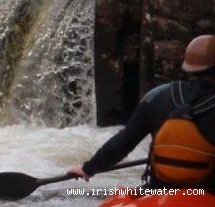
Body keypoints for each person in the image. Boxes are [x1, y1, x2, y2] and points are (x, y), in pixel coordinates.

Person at [68, 35, 215, 192]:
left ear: (187, 66)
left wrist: (88, 168)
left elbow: (121, 144)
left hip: (159, 194)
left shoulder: (156, 97)